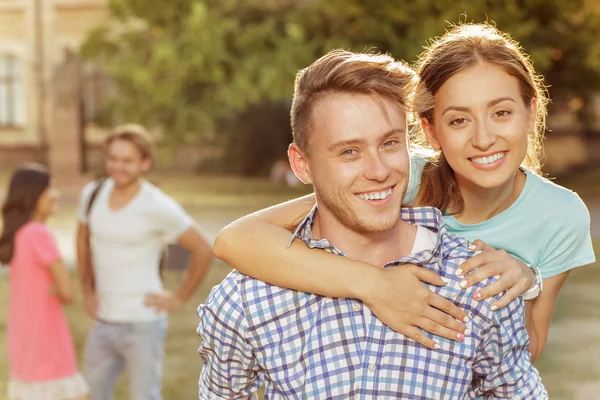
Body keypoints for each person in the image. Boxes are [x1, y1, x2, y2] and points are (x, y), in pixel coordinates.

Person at [213, 23, 596, 359]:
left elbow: (530, 346)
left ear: (530, 112)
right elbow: (236, 240)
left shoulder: (562, 215)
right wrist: (375, 286)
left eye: (501, 113)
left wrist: (528, 281)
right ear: (431, 131)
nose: (484, 138)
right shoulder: (402, 178)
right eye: (459, 120)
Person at [76, 124, 213, 400]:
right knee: (90, 394)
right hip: (103, 320)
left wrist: (178, 297)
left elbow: (203, 249)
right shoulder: (92, 194)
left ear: (145, 163)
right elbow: (82, 240)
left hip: (142, 324)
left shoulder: (157, 205)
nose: (118, 166)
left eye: (127, 161)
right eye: (113, 159)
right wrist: (87, 290)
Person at [1, 164, 89, 400]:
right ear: (32, 194)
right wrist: (55, 288)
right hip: (47, 341)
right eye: (49, 187)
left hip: (23, 342)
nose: (55, 194)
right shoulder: (39, 233)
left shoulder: (19, 235)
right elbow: (68, 293)